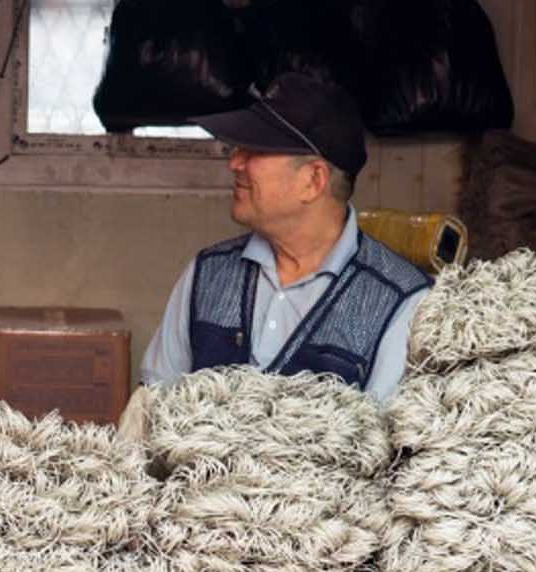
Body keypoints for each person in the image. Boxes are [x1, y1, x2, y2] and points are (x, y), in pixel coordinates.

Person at [139, 75, 430, 400]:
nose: (234, 162)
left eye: (255, 150)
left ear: (313, 180)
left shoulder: (402, 302)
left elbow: (388, 441)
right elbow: (153, 404)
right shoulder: (207, 274)